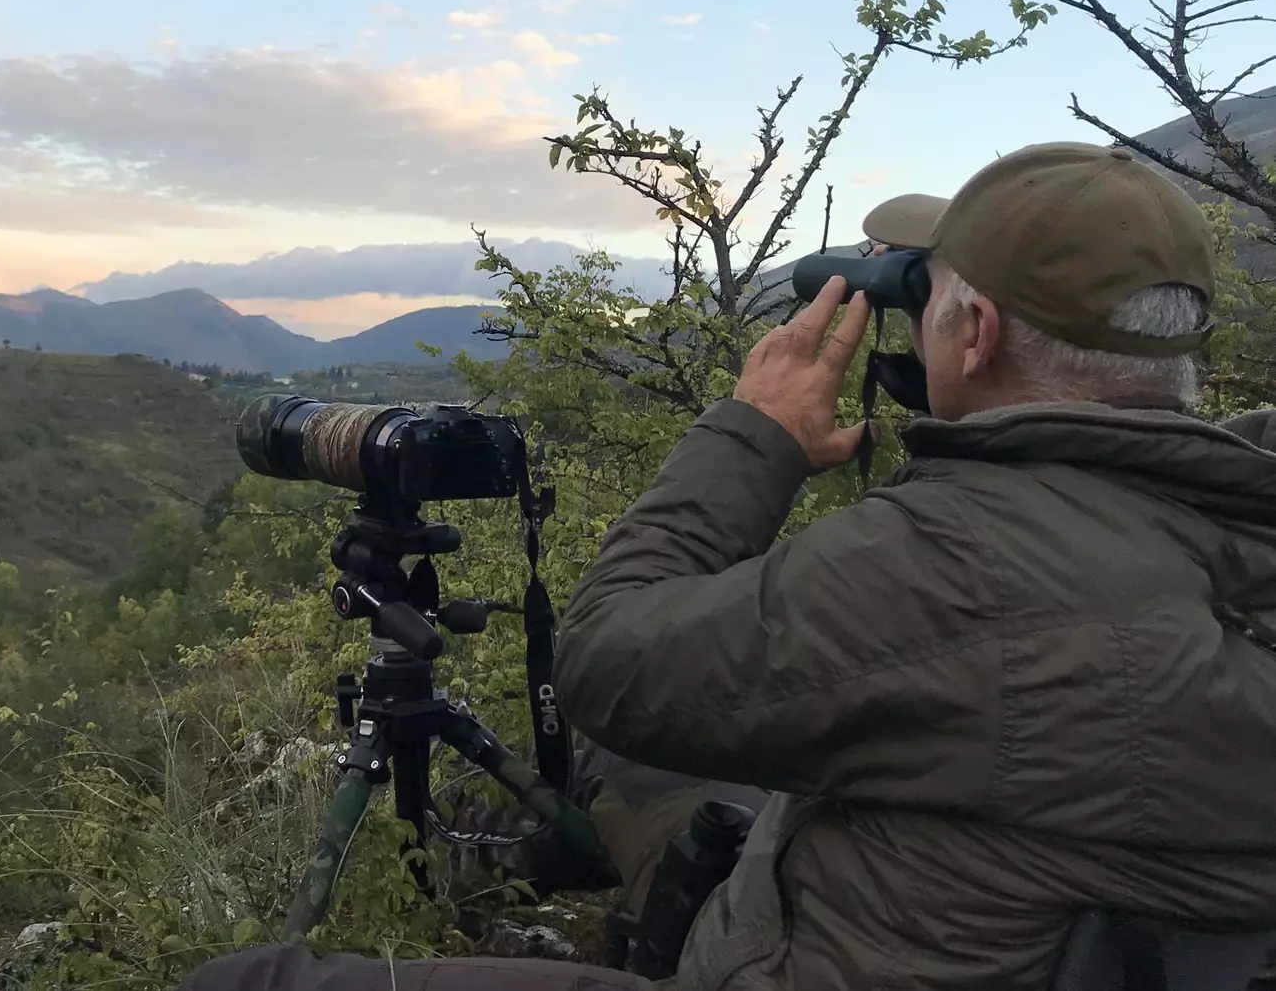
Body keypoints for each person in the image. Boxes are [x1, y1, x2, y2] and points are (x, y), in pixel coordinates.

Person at [181, 142, 1276, 991]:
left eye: (922, 290)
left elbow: (605, 659)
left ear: (974, 329)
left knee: (247, 982)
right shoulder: (1224, 518)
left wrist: (756, 435)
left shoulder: (957, 564)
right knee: (649, 771)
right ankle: (555, 854)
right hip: (1001, 904)